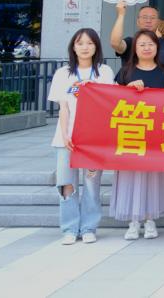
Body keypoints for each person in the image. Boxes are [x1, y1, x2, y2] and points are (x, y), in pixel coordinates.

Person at [48, 28, 115, 245]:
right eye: (80, 43)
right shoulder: (63, 74)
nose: (85, 47)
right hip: (66, 139)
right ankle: (69, 228)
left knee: (92, 184)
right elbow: (63, 108)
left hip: (93, 140)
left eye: (90, 43)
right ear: (73, 47)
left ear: (96, 47)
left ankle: (89, 227)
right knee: (66, 184)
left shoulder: (104, 72)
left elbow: (108, 105)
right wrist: (66, 134)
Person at [111, 31, 164, 240]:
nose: (147, 48)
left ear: (157, 47)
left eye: (151, 44)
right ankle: (133, 222)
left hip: (157, 134)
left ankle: (150, 220)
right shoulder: (125, 71)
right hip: (132, 132)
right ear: (135, 48)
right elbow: (112, 100)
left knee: (154, 178)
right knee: (131, 177)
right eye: (142, 44)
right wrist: (129, 90)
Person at [109, 1, 164, 70]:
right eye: (144, 17)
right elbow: (115, 44)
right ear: (138, 22)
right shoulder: (131, 42)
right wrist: (121, 15)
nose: (148, 21)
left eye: (153, 18)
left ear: (158, 22)